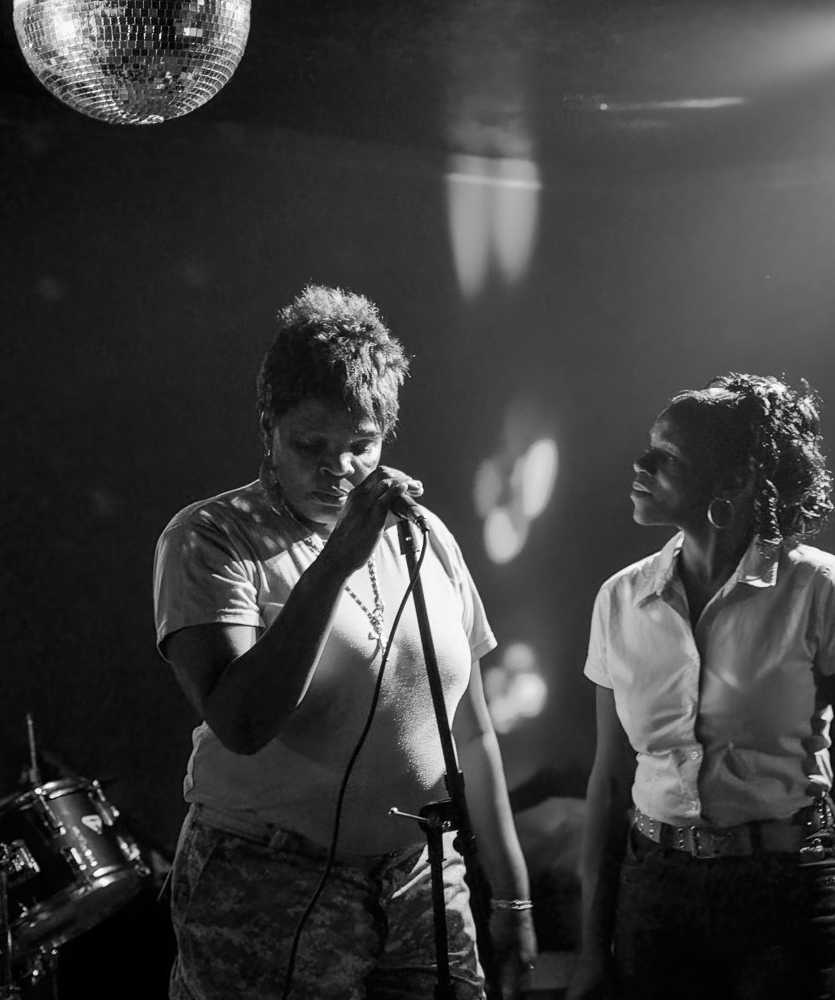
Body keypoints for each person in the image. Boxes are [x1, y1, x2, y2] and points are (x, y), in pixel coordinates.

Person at [152, 285, 536, 999]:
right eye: (311, 445)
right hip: (270, 887)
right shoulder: (211, 538)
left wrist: (512, 897)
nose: (339, 468)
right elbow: (240, 721)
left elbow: (472, 733)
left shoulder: (424, 536)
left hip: (421, 876)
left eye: (361, 445)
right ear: (269, 426)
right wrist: (335, 563)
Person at [569, 373, 835, 1000]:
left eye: (667, 457)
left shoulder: (821, 589)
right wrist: (592, 946)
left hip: (785, 889)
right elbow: (610, 781)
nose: (640, 464)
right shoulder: (620, 598)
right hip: (656, 894)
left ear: (733, 481)